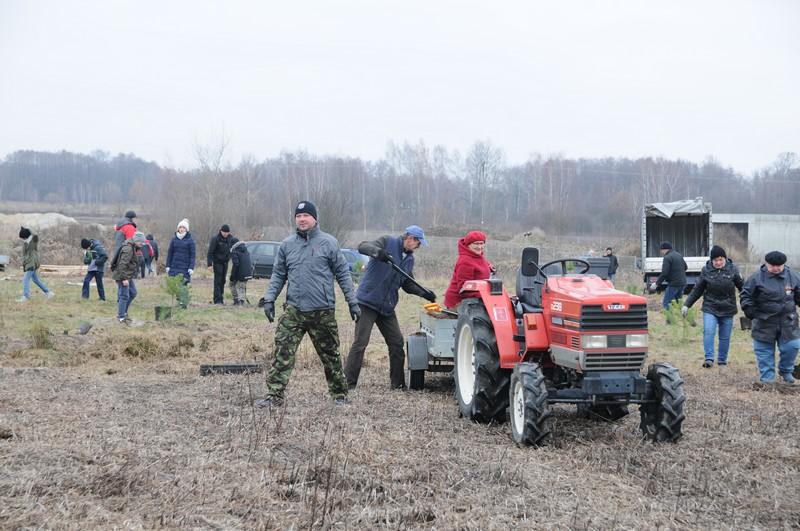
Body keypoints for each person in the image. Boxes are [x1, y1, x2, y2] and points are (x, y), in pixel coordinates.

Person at [256, 200, 360, 407]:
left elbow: (342, 273)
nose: (302, 219)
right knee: (282, 352)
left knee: (330, 355)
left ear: (315, 218)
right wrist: (269, 299)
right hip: (294, 310)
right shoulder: (287, 245)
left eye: (306, 216)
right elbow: (278, 274)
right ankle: (274, 395)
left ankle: (339, 395)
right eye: (298, 216)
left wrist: (352, 301)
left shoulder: (329, 242)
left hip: (322, 310)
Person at [344, 225, 436, 390]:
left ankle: (398, 384)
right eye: (418, 243)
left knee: (396, 343)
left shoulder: (409, 259)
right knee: (360, 342)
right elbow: (363, 246)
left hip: (386, 307)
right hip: (367, 302)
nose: (418, 247)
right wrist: (379, 253)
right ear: (410, 238)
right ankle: (348, 384)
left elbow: (407, 283)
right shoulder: (387, 242)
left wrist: (424, 293)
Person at [739, 251, 800, 384]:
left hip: (788, 322)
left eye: (779, 266)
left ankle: (786, 370)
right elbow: (745, 295)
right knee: (764, 351)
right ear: (766, 264)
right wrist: (749, 309)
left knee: (792, 347)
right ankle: (767, 378)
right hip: (764, 321)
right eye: (772, 266)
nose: (776, 268)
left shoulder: (794, 276)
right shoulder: (756, 278)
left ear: (784, 264)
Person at [681, 245, 744, 368]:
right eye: (715, 260)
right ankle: (709, 358)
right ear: (711, 260)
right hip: (710, 307)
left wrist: (750, 303)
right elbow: (697, 290)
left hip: (728, 307)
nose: (718, 263)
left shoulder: (733, 270)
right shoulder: (706, 271)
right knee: (709, 331)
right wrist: (687, 305)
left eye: (721, 259)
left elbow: (743, 288)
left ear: (725, 259)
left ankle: (722, 360)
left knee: (725, 336)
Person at [443, 230, 494, 310]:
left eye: (481, 243)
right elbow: (463, 288)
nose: (479, 247)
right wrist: (485, 294)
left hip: (474, 299)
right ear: (468, 245)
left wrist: (489, 267)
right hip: (459, 302)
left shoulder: (476, 255)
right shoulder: (465, 262)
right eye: (476, 244)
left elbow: (479, 264)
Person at [111, 232, 147, 324]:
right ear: (136, 240)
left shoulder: (133, 246)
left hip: (127, 275)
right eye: (141, 242)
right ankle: (121, 317)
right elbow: (122, 265)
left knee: (133, 293)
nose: (142, 244)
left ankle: (124, 312)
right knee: (124, 296)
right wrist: (124, 279)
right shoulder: (128, 249)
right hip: (122, 275)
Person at [17, 227, 55, 302]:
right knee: (36, 280)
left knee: (25, 279)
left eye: (22, 237)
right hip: (29, 263)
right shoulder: (26, 243)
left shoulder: (33, 241)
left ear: (26, 236)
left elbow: (35, 235)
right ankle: (49, 292)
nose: (22, 239)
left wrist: (29, 231)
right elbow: (25, 254)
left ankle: (25, 296)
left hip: (32, 264)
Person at [651, 241, 687, 310]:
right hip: (682, 283)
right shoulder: (679, 255)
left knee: (667, 303)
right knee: (678, 303)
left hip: (673, 284)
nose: (661, 252)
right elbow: (685, 267)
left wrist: (656, 283)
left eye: (661, 250)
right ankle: (678, 316)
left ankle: (669, 316)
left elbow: (664, 273)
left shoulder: (667, 257)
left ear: (664, 249)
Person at [207, 224, 236, 304]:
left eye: (227, 232)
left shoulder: (230, 239)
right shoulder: (215, 239)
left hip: (225, 263)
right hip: (217, 263)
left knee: (223, 280)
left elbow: (233, 248)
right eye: (224, 232)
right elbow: (210, 252)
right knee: (218, 281)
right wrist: (209, 264)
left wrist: (230, 257)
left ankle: (221, 298)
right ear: (221, 231)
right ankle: (217, 300)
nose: (225, 234)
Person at [166, 218, 196, 285]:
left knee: (183, 287)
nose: (181, 229)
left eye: (183, 227)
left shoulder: (190, 241)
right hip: (174, 267)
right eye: (180, 227)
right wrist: (168, 265)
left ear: (186, 229)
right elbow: (170, 253)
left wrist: (191, 267)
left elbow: (192, 256)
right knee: (173, 286)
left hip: (185, 268)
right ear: (178, 229)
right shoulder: (174, 239)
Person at [229, 239, 252, 306]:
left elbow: (236, 264)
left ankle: (237, 301)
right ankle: (242, 301)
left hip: (240, 273)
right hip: (248, 273)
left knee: (232, 284)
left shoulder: (234, 252)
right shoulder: (246, 250)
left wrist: (233, 276)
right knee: (242, 286)